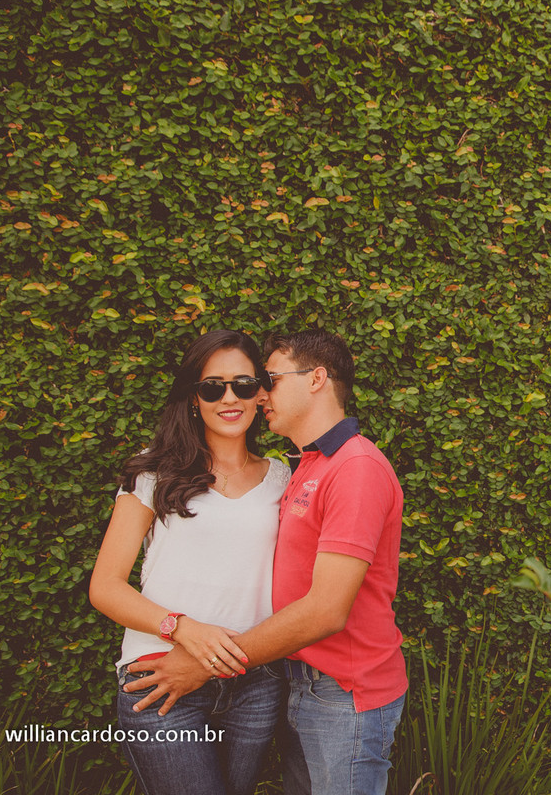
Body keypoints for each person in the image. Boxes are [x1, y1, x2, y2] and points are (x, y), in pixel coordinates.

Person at [124, 328, 407, 795]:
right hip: (296, 680)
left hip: (343, 691)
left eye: (267, 381)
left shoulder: (354, 467)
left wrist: (207, 664)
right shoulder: (308, 465)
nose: (259, 395)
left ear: (316, 379)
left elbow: (326, 610)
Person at [90, 329, 291, 795]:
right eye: (212, 387)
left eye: (243, 385)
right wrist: (182, 628)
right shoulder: (153, 472)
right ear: (193, 398)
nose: (229, 398)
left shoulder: (283, 477)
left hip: (254, 682)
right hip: (162, 675)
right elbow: (105, 585)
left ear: (260, 393)